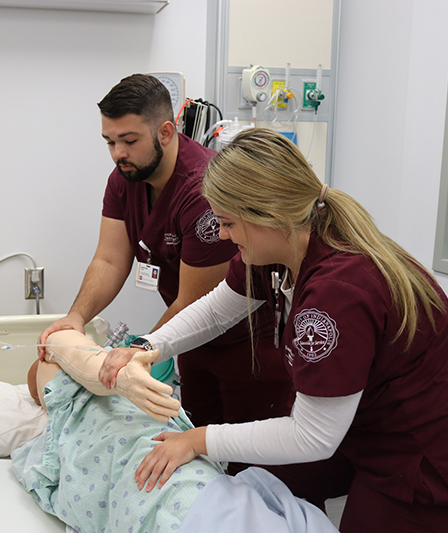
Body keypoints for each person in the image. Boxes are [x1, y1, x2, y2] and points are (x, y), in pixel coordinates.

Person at [98, 128, 448, 533]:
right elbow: (219, 308)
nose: (222, 235)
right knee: (260, 482)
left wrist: (198, 439)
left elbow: (313, 438)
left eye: (228, 223)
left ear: (267, 215)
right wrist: (147, 346)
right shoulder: (284, 245)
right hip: (363, 428)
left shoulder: (338, 291)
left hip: (433, 454)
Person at [37, 74, 293, 461]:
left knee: (253, 464)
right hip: (188, 341)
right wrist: (76, 318)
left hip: (245, 348)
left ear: (167, 132)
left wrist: (137, 353)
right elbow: (109, 258)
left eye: (129, 141)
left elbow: (198, 303)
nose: (117, 153)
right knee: (202, 455)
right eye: (109, 142)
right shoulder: (125, 179)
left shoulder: (204, 191)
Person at [14, 330, 338, 533]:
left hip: (136, 470)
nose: (224, 234)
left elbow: (54, 347)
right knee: (59, 356)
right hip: (177, 461)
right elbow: (55, 341)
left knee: (56, 369)